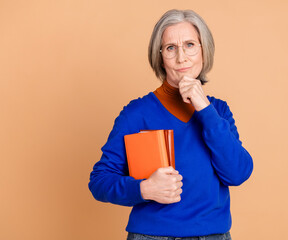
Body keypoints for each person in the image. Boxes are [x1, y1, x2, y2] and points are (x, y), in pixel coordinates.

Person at [89, 9, 253, 240]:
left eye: (189, 45)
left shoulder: (218, 111)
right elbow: (100, 181)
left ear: (204, 51)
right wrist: (143, 189)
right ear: (160, 58)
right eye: (170, 48)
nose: (181, 58)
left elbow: (237, 173)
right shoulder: (136, 113)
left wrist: (204, 109)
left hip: (214, 235)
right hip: (151, 236)